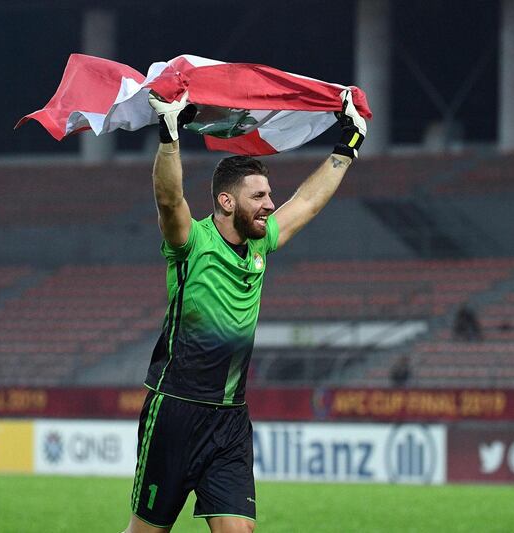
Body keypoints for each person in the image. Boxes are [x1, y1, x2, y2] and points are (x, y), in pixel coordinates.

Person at [121, 89, 366, 533]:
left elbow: (306, 203)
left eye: (269, 195)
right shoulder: (191, 243)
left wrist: (347, 146)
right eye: (259, 196)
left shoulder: (260, 243)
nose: (270, 205)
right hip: (175, 410)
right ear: (227, 202)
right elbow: (169, 201)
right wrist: (169, 134)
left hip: (231, 417)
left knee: (240, 531)